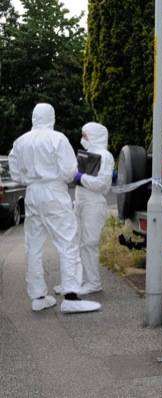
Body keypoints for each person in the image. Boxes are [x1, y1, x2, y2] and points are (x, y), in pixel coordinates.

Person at [8, 103, 101, 313]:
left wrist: (30, 178)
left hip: (32, 193)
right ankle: (71, 296)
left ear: (33, 117)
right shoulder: (58, 138)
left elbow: (15, 173)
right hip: (54, 192)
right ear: (51, 117)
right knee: (67, 242)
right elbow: (69, 172)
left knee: (33, 246)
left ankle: (38, 296)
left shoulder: (20, 142)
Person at [64, 122, 114, 295]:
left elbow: (102, 185)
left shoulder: (105, 156)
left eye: (85, 135)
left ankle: (93, 283)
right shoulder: (87, 155)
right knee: (77, 243)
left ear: (95, 136)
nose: (83, 139)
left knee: (89, 243)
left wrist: (81, 177)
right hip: (81, 202)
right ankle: (78, 281)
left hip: (94, 204)